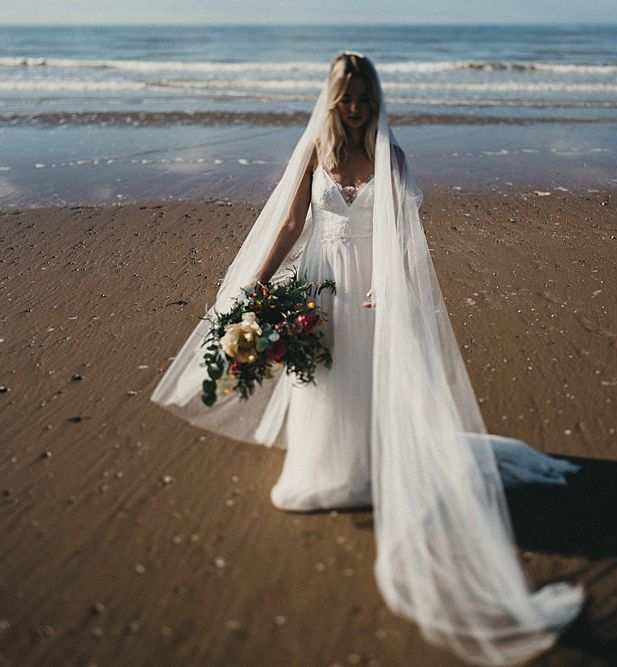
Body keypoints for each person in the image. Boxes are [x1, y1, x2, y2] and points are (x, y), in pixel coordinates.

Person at [151, 52, 585, 666]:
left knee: (370, 374)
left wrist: (390, 279)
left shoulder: (390, 155)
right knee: (325, 373)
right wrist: (258, 281)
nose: (355, 108)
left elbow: (405, 229)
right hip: (322, 277)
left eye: (364, 98)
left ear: (375, 100)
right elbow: (292, 221)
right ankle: (328, 466)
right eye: (346, 97)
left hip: (373, 283)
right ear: (332, 99)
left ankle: (375, 463)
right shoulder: (314, 153)